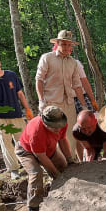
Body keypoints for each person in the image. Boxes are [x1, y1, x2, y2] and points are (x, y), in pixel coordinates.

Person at [36, 30, 88, 160]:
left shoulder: (73, 63)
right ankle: (56, 163)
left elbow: (77, 85)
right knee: (53, 134)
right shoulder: (47, 58)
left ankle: (70, 161)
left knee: (70, 133)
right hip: (51, 103)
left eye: (69, 45)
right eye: (63, 44)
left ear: (72, 46)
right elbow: (39, 80)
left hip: (69, 102)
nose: (66, 47)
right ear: (57, 43)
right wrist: (41, 100)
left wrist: (83, 105)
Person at [15, 106, 74, 211]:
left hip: (48, 149)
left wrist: (69, 159)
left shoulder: (62, 122)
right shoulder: (37, 131)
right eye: (54, 127)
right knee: (36, 174)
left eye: (59, 126)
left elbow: (62, 140)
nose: (58, 129)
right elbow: (40, 156)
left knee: (63, 166)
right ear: (45, 123)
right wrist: (55, 174)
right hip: (26, 151)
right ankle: (33, 208)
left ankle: (62, 195)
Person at [0, 55, 34, 180]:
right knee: (6, 144)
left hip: (16, 114)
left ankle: (30, 165)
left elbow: (20, 94)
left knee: (23, 142)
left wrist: (27, 109)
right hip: (0, 118)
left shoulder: (11, 75)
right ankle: (14, 169)